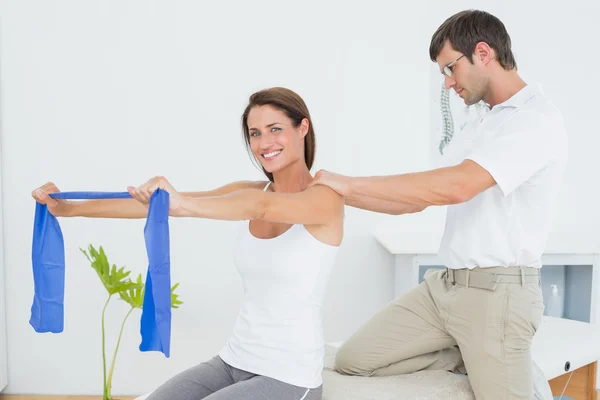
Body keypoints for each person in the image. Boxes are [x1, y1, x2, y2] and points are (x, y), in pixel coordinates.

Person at [309, 9, 568, 400]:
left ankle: (500, 358)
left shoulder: (535, 120)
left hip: (498, 295)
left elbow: (457, 186)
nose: (447, 84)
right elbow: (418, 200)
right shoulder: (480, 121)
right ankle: (467, 351)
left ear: (483, 53)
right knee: (354, 360)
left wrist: (349, 182)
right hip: (444, 289)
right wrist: (338, 193)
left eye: (450, 68)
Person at [32, 87, 344, 400]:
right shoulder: (252, 191)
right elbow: (158, 206)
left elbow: (259, 207)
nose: (264, 143)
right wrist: (70, 209)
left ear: (302, 127)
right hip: (233, 360)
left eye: (275, 129)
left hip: (290, 376)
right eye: (254, 133)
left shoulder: (324, 199)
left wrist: (182, 203)